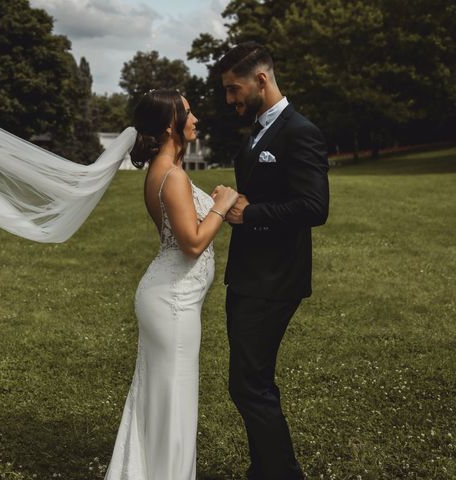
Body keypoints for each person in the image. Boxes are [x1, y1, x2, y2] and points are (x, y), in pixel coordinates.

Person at [103, 89, 239, 480]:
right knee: (174, 400)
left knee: (163, 398)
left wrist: (213, 205)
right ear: (169, 125)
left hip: (172, 297)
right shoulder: (172, 174)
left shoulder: (166, 170)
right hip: (173, 302)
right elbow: (193, 243)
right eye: (188, 112)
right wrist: (222, 203)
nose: (195, 118)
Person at [217, 42, 330, 480]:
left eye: (233, 89)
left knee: (249, 385)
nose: (230, 100)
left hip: (273, 278)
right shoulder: (260, 130)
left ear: (261, 79)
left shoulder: (300, 131)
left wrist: (251, 213)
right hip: (250, 275)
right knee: (251, 382)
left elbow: (314, 207)